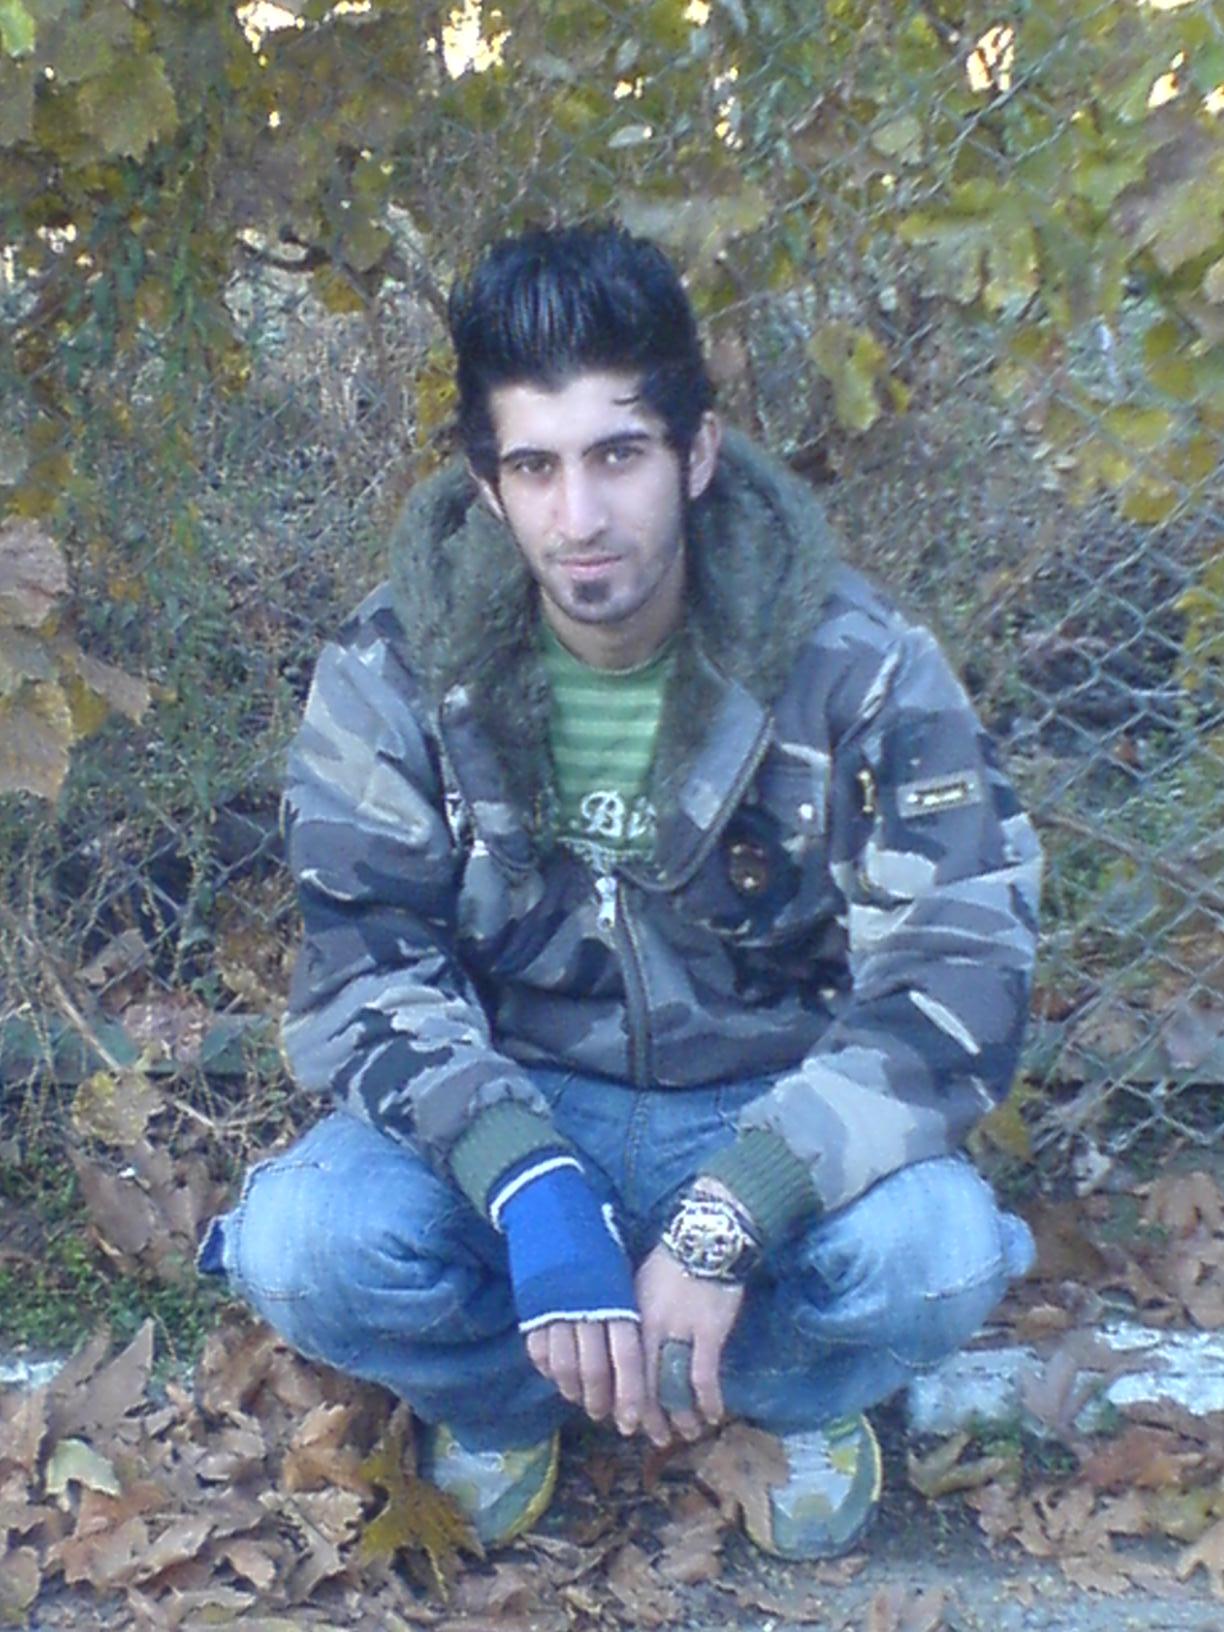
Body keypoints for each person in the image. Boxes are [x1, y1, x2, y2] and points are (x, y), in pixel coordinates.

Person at [200, 222, 1040, 1561]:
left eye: (619, 456)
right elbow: (366, 965)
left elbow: (956, 972)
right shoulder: (396, 667)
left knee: (939, 1255)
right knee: (303, 1243)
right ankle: (512, 1400)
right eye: (535, 466)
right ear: (487, 485)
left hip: (771, 1103)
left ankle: (782, 1396)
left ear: (696, 454)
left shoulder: (859, 664)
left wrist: (732, 1210)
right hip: (521, 1093)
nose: (580, 518)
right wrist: (529, 1184)